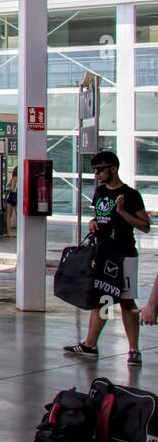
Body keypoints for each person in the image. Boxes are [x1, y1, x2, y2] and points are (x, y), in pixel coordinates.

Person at [64, 150, 151, 366]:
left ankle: (133, 349)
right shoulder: (100, 192)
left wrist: (122, 212)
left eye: (100, 169)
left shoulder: (130, 195)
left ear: (113, 169)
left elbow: (145, 226)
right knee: (102, 298)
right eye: (94, 170)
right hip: (103, 253)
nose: (96, 174)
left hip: (124, 254)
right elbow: (100, 216)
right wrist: (93, 222)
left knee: (126, 300)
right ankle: (90, 344)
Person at [4, 169, 18, 237]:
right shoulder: (20, 179)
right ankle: (18, 233)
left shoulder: (13, 178)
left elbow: (12, 189)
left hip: (12, 196)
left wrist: (6, 190)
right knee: (18, 216)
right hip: (17, 197)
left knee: (8, 216)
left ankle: (8, 233)